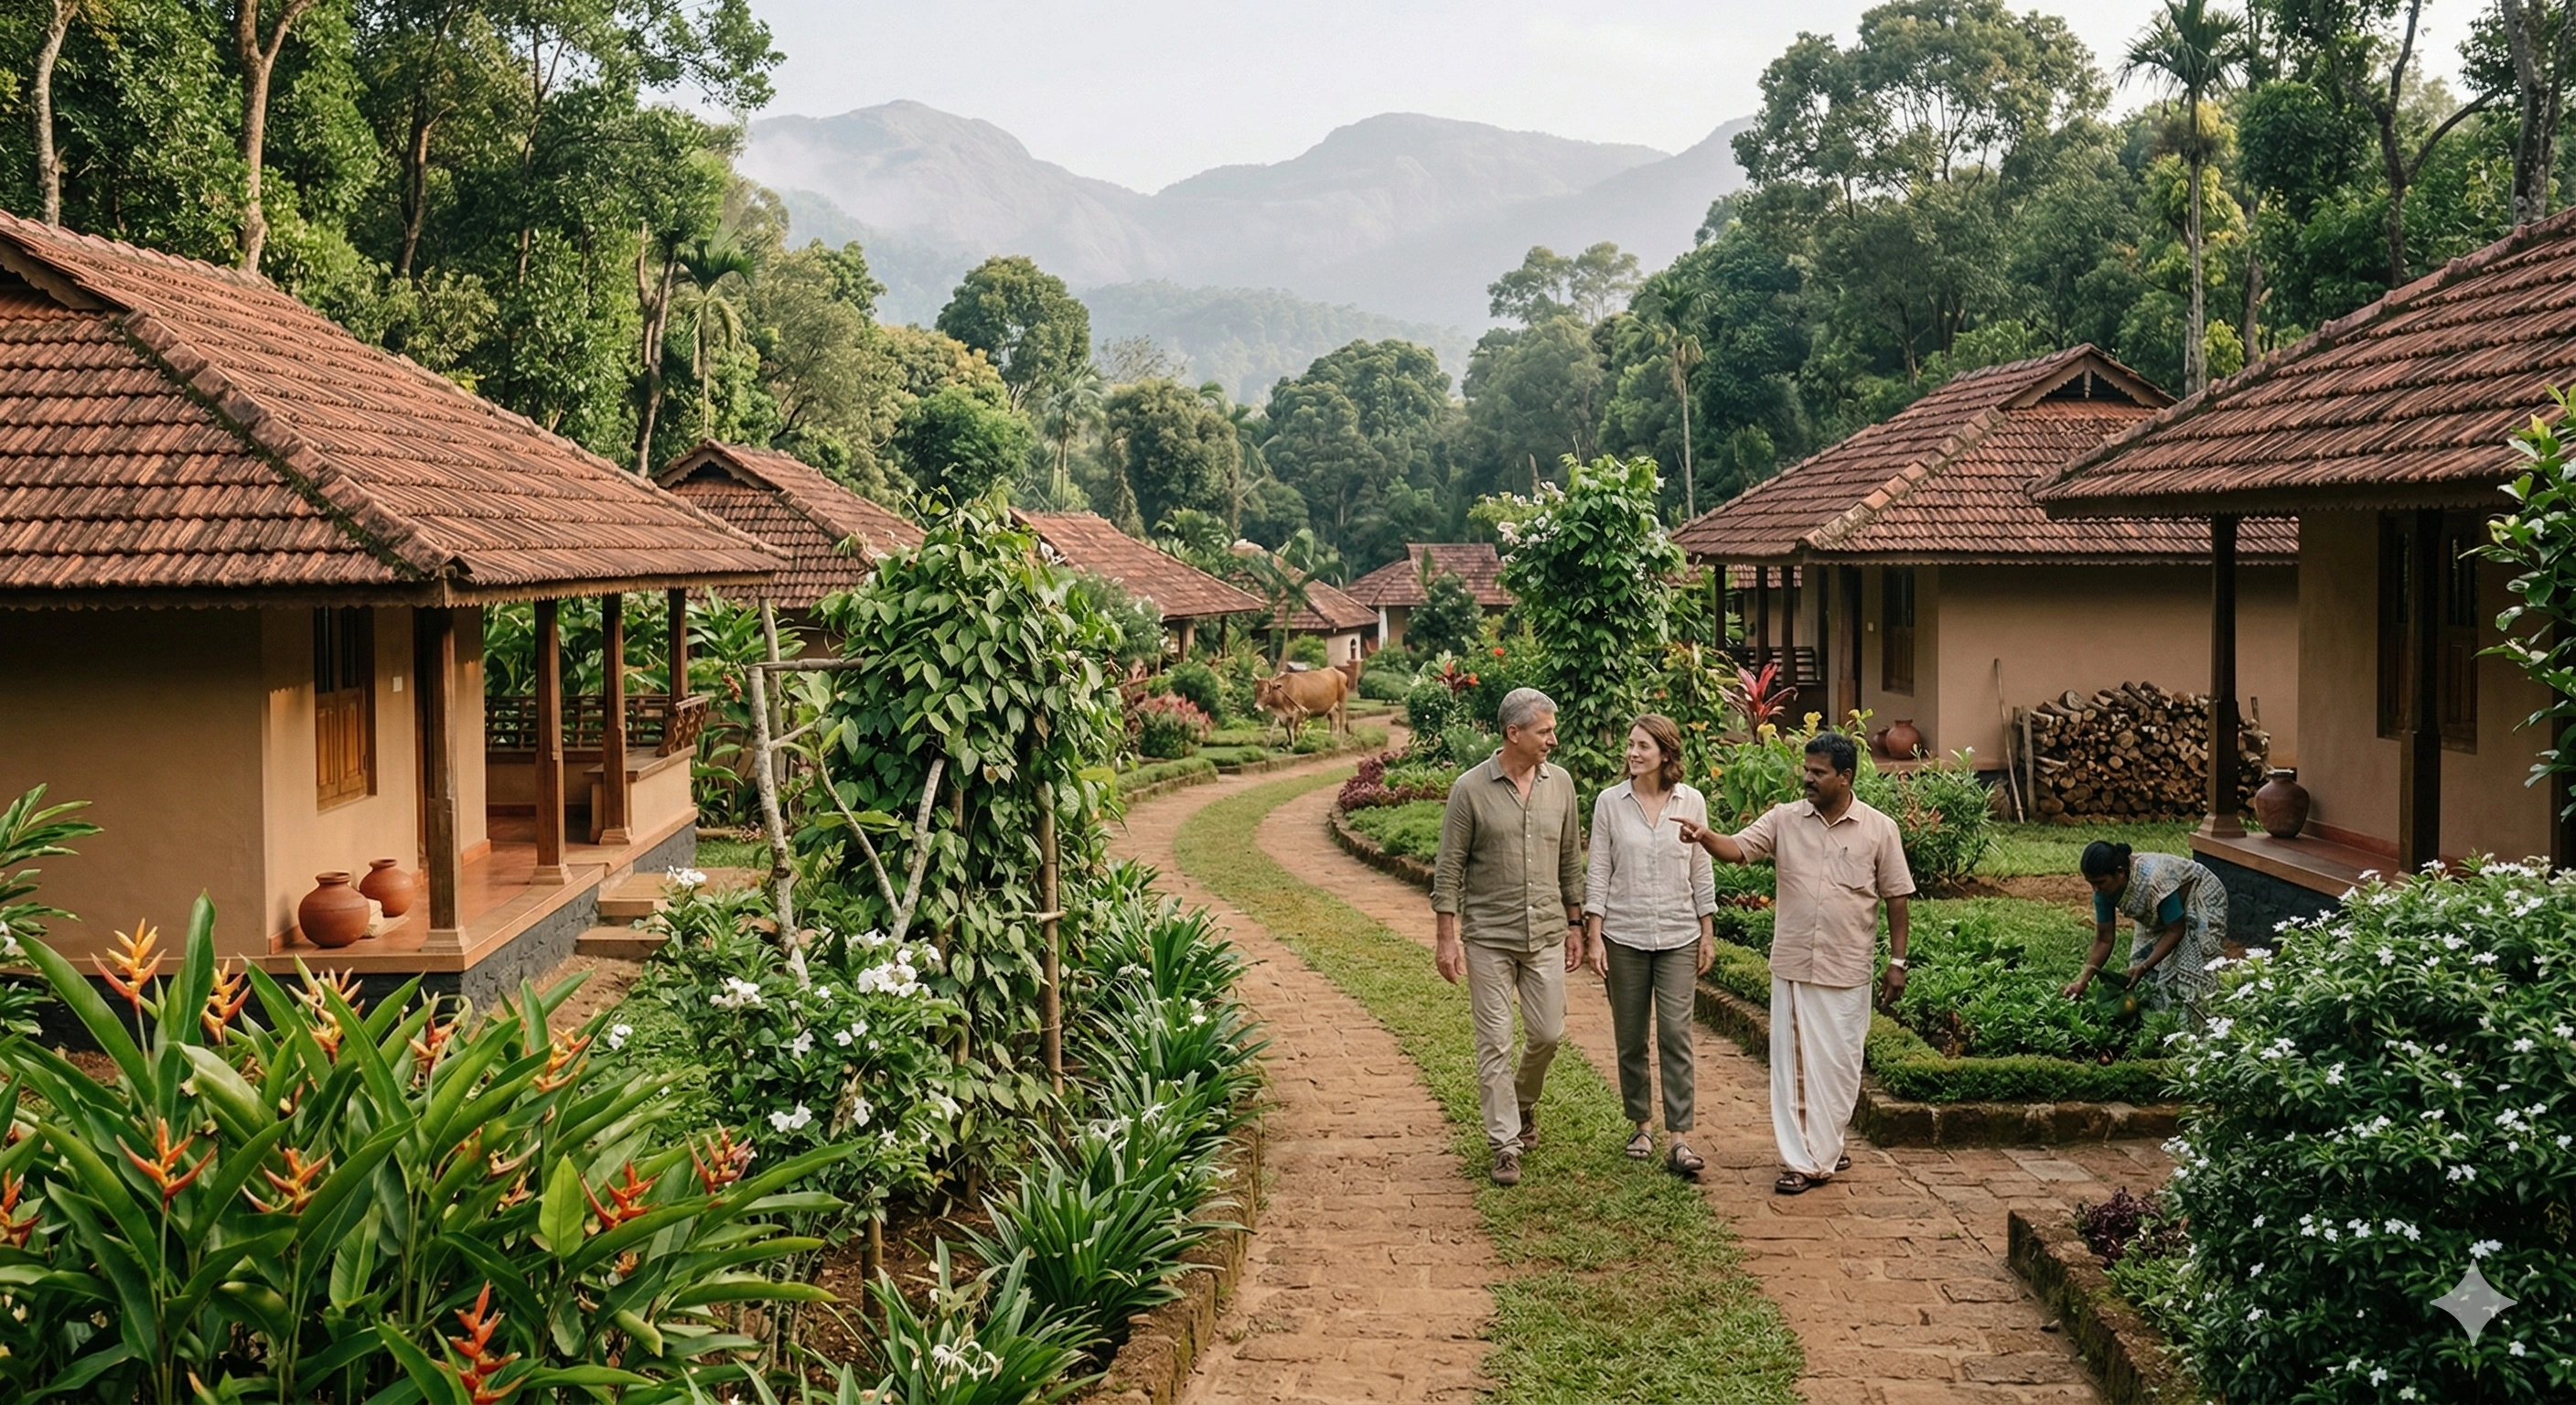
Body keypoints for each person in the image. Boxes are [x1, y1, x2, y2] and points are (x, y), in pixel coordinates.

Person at [1677, 732, 1912, 1196]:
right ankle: (1803, 1162)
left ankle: (1827, 1144)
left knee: (1842, 1071)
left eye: (1818, 772)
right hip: (1795, 967)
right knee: (1797, 1073)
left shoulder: (1879, 829)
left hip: (1848, 969)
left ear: (1845, 777)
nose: (1807, 778)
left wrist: (1897, 961)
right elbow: (1738, 849)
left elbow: (1897, 898)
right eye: (1806, 770)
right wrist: (1704, 837)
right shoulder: (1784, 819)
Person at [1433, 686, 1584, 1187]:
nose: (1552, 740)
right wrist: (1446, 938)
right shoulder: (1469, 789)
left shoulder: (1561, 785)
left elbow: (1569, 860)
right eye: (1545, 731)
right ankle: (1504, 1144)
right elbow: (1448, 869)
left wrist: (1576, 924)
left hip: (1546, 932)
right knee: (1494, 1042)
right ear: (1513, 733)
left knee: (1548, 1034)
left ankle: (1521, 1103)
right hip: (1489, 936)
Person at [1581, 714, 1718, 1179]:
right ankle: (1641, 1126)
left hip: (1679, 934)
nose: (1633, 753)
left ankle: (1679, 1137)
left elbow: (1701, 869)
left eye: (1643, 746)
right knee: (1631, 1036)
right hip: (1624, 935)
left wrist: (1707, 930)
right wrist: (1594, 933)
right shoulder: (1610, 803)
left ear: (1665, 753)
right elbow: (1599, 869)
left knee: (1676, 1034)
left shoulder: (1691, 801)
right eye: (1630, 744)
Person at [2062, 841, 2225, 1014]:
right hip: (2159, 908)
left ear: (2120, 872)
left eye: (2100, 882)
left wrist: (2146, 965)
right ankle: (2159, 1021)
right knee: (2143, 980)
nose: (2095, 889)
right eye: (2091, 883)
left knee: (2193, 972)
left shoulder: (2154, 881)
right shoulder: (2103, 892)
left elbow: (2176, 930)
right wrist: (2083, 981)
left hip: (2199, 895)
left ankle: (2204, 1022)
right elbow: (2104, 939)